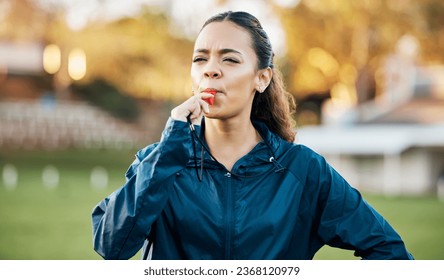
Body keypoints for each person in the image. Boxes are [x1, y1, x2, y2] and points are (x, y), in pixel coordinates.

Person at [92, 11, 414, 260]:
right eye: (200, 59)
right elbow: (111, 245)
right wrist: (170, 149)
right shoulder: (160, 162)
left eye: (229, 59)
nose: (211, 70)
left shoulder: (302, 170)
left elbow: (390, 251)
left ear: (261, 78)